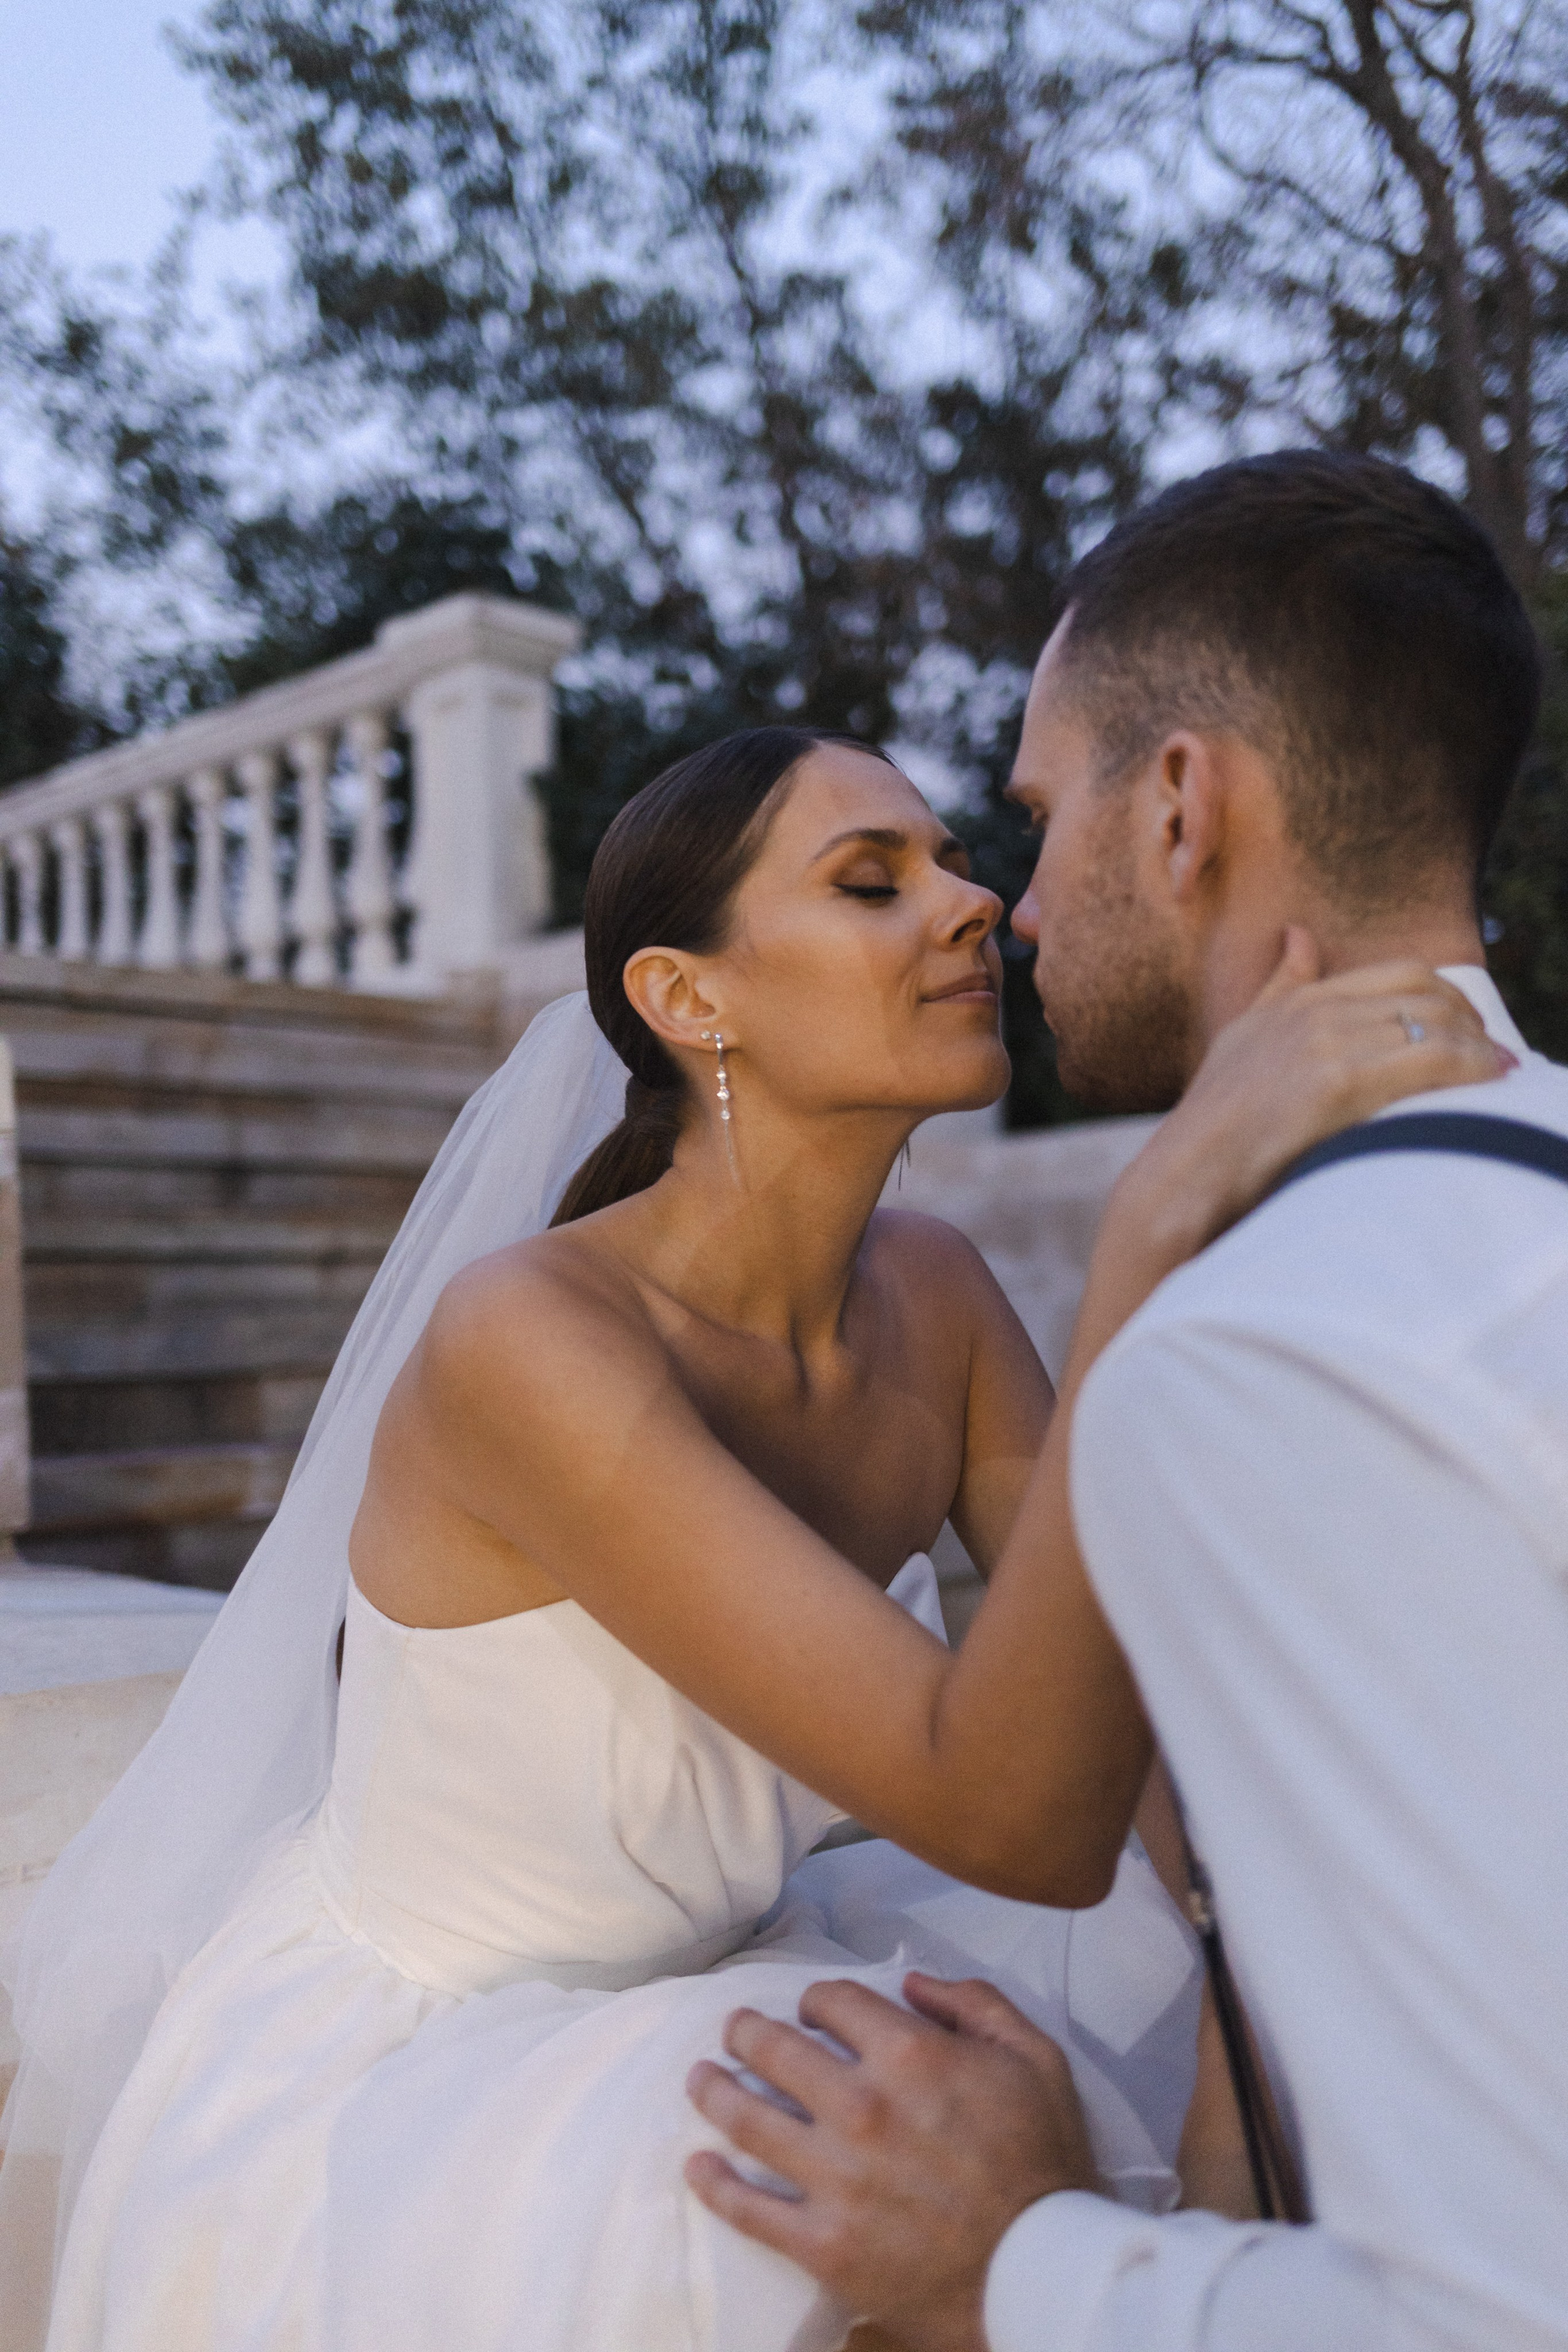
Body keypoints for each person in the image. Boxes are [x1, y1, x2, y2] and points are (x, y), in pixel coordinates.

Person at [0, 607, 1500, 2348]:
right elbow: (1011, 1809)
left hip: (735, 1964)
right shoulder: (534, 1342)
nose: (970, 907)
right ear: (685, 995)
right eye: (872, 882)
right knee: (829, 2224)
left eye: (953, 862)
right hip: (429, 2064)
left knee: (1092, 2062)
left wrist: (1243, 2078)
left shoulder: (928, 1296)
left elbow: (1132, 1728)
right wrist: (1151, 1234)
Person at [683, 451, 1568, 2352]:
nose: (1005, 901)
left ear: (1179, 808)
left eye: (1036, 809)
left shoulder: (1274, 1354)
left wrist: (1015, 2264)